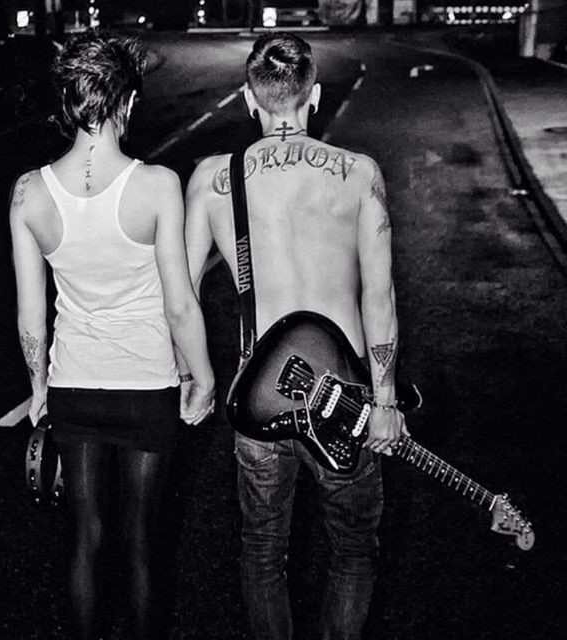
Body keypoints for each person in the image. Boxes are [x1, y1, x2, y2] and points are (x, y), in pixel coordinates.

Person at [184, 33, 406, 640]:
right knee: (353, 550)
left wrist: (194, 377)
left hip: (260, 396)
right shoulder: (358, 174)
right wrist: (385, 402)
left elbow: (179, 294)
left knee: (261, 550)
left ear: (248, 99)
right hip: (347, 397)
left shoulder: (212, 179)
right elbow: (379, 296)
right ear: (315, 96)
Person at [10, 34, 215, 639]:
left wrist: (39, 388)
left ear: (69, 102)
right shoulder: (157, 185)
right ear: (126, 102)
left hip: (74, 386)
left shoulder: (28, 192)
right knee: (142, 538)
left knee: (85, 535)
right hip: (146, 388)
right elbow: (179, 304)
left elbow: (30, 314)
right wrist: (202, 378)